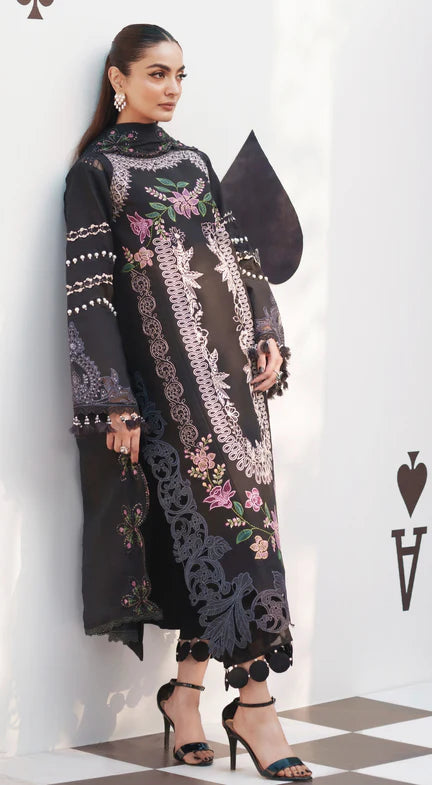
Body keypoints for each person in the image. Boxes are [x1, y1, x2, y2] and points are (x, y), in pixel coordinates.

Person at [64, 22, 311, 781]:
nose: (171, 88)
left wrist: (268, 333)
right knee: (225, 537)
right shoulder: (96, 174)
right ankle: (257, 706)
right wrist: (111, 400)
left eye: (179, 75)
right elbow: (89, 297)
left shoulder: (195, 162)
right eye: (155, 74)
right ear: (118, 79)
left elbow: (240, 255)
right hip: (165, 394)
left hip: (236, 383)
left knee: (241, 534)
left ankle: (186, 696)